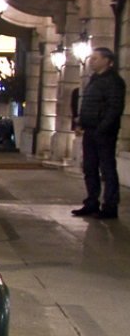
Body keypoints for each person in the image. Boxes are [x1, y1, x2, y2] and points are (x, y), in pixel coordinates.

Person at [72, 47, 125, 219]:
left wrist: (103, 127)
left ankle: (110, 205)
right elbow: (90, 104)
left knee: (107, 169)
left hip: (104, 132)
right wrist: (81, 122)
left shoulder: (113, 81)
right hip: (91, 130)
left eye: (95, 58)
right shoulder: (94, 80)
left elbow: (114, 107)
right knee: (90, 168)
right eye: (91, 58)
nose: (91, 61)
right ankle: (91, 202)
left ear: (107, 60)